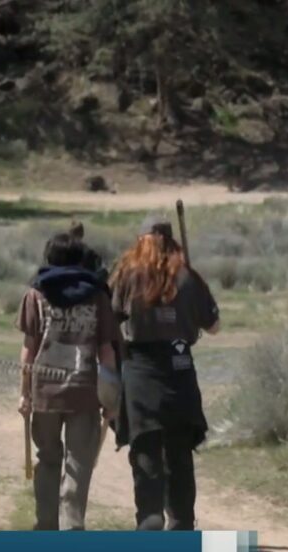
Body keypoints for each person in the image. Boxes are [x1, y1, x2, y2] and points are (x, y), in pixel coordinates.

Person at [109, 214, 220, 531]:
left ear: (141, 240)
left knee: (146, 450)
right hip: (180, 371)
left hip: (142, 372)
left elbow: (110, 320)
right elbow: (214, 326)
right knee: (180, 456)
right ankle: (182, 522)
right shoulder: (188, 276)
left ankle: (149, 518)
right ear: (171, 241)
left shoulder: (127, 275)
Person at [17, 233, 119, 530]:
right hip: (84, 393)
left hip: (45, 393)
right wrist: (111, 400)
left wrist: (24, 393)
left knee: (47, 458)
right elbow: (107, 353)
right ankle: (72, 526)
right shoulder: (98, 296)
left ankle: (46, 523)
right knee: (79, 463)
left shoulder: (36, 295)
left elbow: (29, 349)